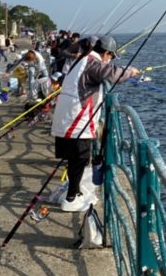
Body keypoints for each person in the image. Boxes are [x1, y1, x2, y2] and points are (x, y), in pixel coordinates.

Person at [51, 35, 140, 212]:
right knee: (80, 158)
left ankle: (73, 191)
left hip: (66, 114)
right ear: (106, 53)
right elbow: (113, 74)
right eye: (111, 56)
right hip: (77, 117)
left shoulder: (82, 60)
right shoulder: (93, 63)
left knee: (74, 158)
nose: (110, 60)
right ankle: (71, 197)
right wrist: (131, 71)